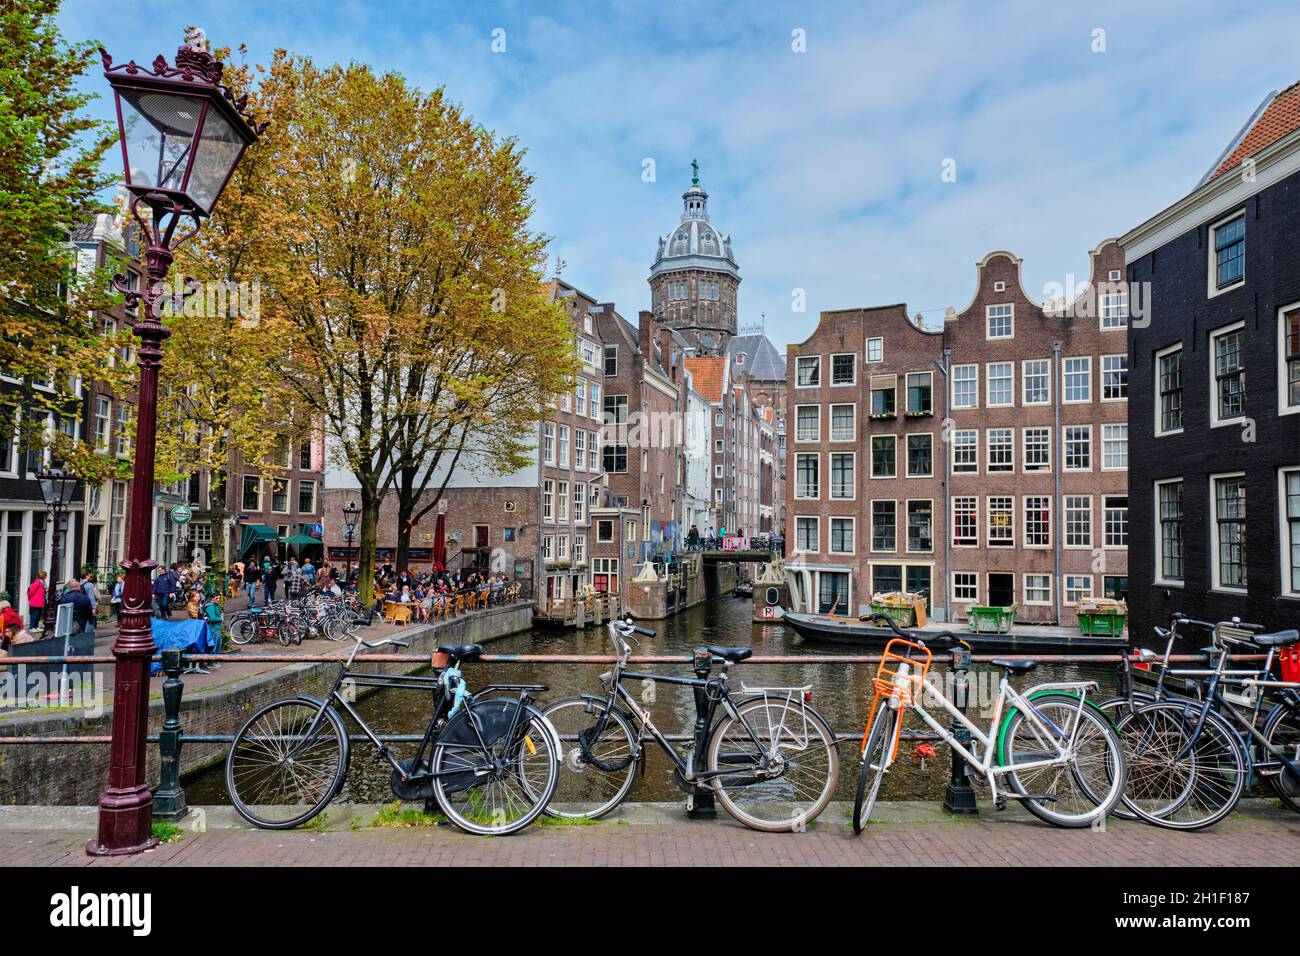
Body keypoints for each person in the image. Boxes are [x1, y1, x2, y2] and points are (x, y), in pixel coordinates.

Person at [80, 572, 99, 638]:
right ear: (87, 576)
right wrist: (93, 607)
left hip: (81, 605)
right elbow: (91, 597)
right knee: (90, 621)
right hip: (88, 606)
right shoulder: (89, 585)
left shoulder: (79, 584)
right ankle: (88, 636)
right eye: (89, 575)